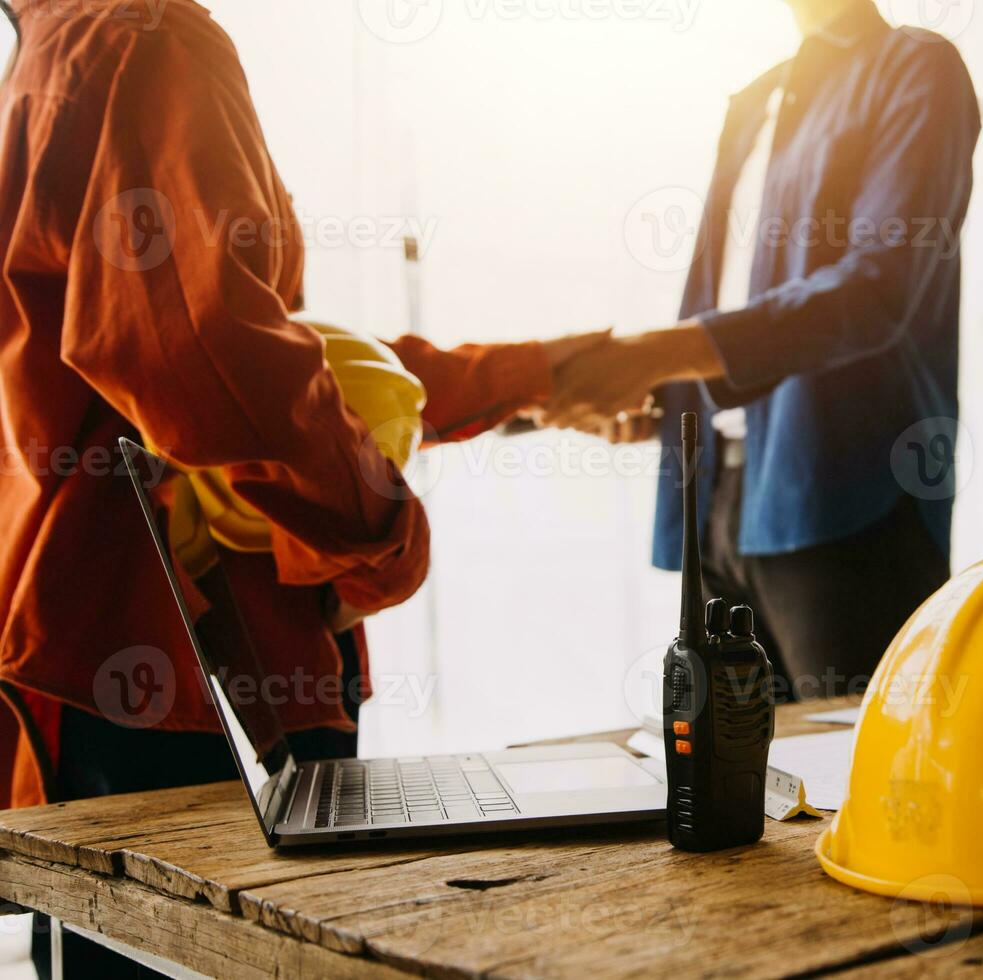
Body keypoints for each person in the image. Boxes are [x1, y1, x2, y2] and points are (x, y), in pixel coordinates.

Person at [0, 2, 599, 972]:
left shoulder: (55, 43)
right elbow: (219, 363)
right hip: (204, 672)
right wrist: (386, 530)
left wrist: (547, 374)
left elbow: (269, 348)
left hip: (98, 659)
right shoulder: (148, 36)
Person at [543, 0, 981, 699]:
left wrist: (653, 354)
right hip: (723, 501)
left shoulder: (916, 67)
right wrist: (654, 396)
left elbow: (877, 289)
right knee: (744, 790)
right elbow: (722, 297)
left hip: (847, 504)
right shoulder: (754, 102)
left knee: (858, 782)